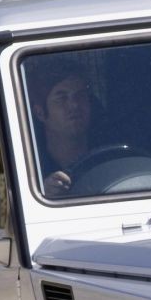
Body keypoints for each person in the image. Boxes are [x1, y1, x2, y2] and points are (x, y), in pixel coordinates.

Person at [29, 59, 102, 198]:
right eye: (61, 98)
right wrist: (44, 192)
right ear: (40, 113)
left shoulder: (112, 157)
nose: (74, 105)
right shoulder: (30, 168)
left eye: (80, 96)